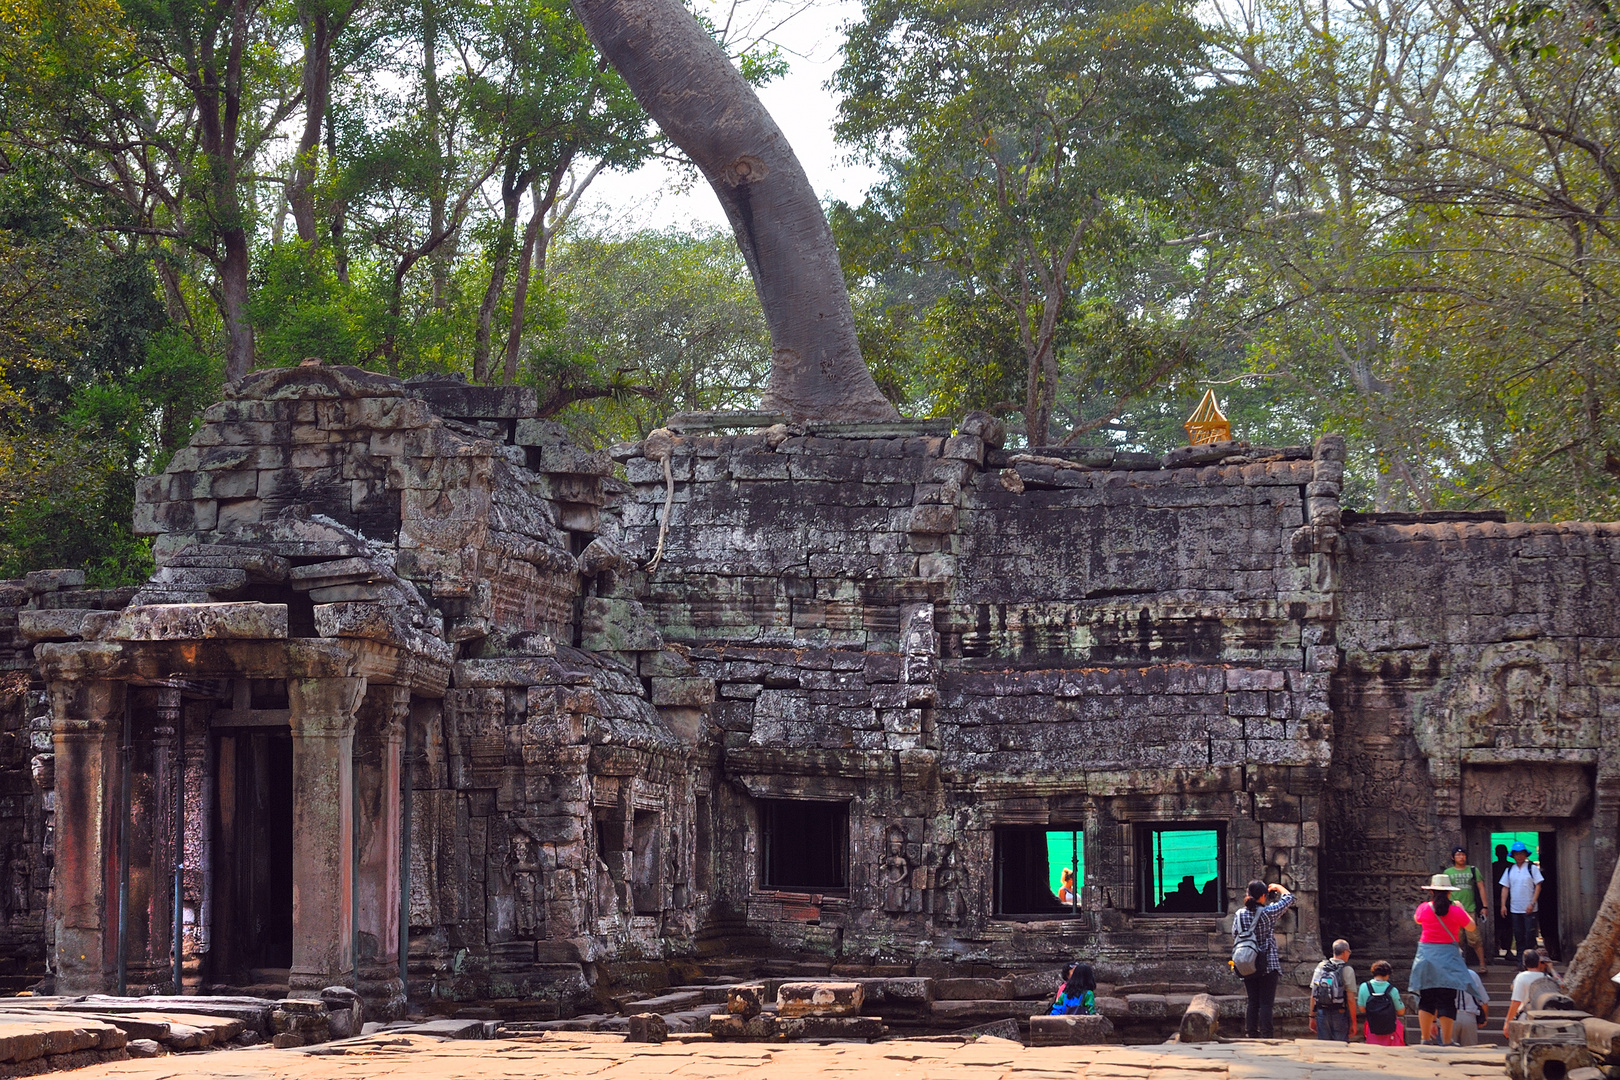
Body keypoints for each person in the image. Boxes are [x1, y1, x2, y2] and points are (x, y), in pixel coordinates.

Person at [1410, 872, 1478, 1045]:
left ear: (1432, 892)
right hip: (1448, 956)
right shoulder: (1456, 910)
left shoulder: (1424, 908)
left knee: (1426, 998)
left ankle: (1425, 1038)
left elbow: (1417, 920)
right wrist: (1461, 909)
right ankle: (1447, 1041)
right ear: (1450, 892)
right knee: (1447, 998)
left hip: (1427, 956)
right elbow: (1471, 927)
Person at [1233, 879, 1294, 1038]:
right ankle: (1267, 1035)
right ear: (1262, 896)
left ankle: (1251, 1033)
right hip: (1267, 962)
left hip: (1246, 962)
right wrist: (1278, 887)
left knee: (1253, 1001)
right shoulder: (1267, 913)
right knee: (1266, 1003)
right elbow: (1289, 898)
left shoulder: (1239, 915)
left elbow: (1235, 934)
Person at [1442, 846, 1489, 972]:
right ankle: (1459, 964)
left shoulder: (1473, 870)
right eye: (1458, 855)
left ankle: (1482, 964)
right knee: (1457, 938)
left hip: (1470, 909)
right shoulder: (1448, 873)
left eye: (1463, 855)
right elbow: (1443, 891)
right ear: (1453, 857)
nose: (1461, 857)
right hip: (1453, 910)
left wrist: (1485, 906)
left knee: (1474, 937)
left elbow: (1481, 888)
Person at [1499, 841, 1544, 964]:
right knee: (1518, 936)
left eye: (1521, 853)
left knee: (1530, 936)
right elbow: (1505, 887)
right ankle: (1520, 962)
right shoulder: (1509, 869)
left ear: (1525, 855)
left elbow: (1538, 885)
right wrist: (1503, 905)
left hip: (1530, 909)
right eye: (1516, 854)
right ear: (1513, 855)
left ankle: (1530, 962)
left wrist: (1532, 903)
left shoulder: (1532, 868)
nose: (1519, 856)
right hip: (1515, 909)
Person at [1308, 939, 1359, 1042]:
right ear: (1345, 952)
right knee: (1340, 1047)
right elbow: (1350, 999)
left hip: (1322, 1012)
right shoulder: (1347, 969)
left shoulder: (1321, 967)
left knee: (1324, 1046)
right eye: (1349, 952)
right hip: (1339, 1013)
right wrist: (1354, 1022)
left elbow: (1314, 993)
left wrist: (1311, 1017)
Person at [1505, 949, 1560, 1026]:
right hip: (1544, 1017)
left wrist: (1507, 1022)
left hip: (1525, 1015)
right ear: (1538, 962)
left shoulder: (1521, 977)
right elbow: (1561, 985)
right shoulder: (1547, 978)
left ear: (1524, 963)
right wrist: (1552, 969)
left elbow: (1516, 1001)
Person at [1359, 960, 1406, 1046]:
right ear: (1388, 974)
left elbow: (1362, 1009)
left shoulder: (1364, 986)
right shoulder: (1392, 990)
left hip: (1372, 1026)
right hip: (1389, 1028)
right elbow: (1401, 1011)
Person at [1453, 968, 1490, 1046]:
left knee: (1447, 1050)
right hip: (1469, 1016)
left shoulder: (1444, 973)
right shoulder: (1472, 974)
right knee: (1470, 1051)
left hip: (1449, 1016)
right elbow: (1483, 1000)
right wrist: (1484, 1018)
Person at [1492, 844, 1512, 959]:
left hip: (1510, 901)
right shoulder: (1492, 867)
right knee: (1497, 927)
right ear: (1496, 853)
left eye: (1503, 852)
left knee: (1509, 927)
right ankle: (1495, 947)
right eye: (1499, 852)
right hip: (1495, 901)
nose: (1501, 854)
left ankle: (1508, 950)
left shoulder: (1511, 866)